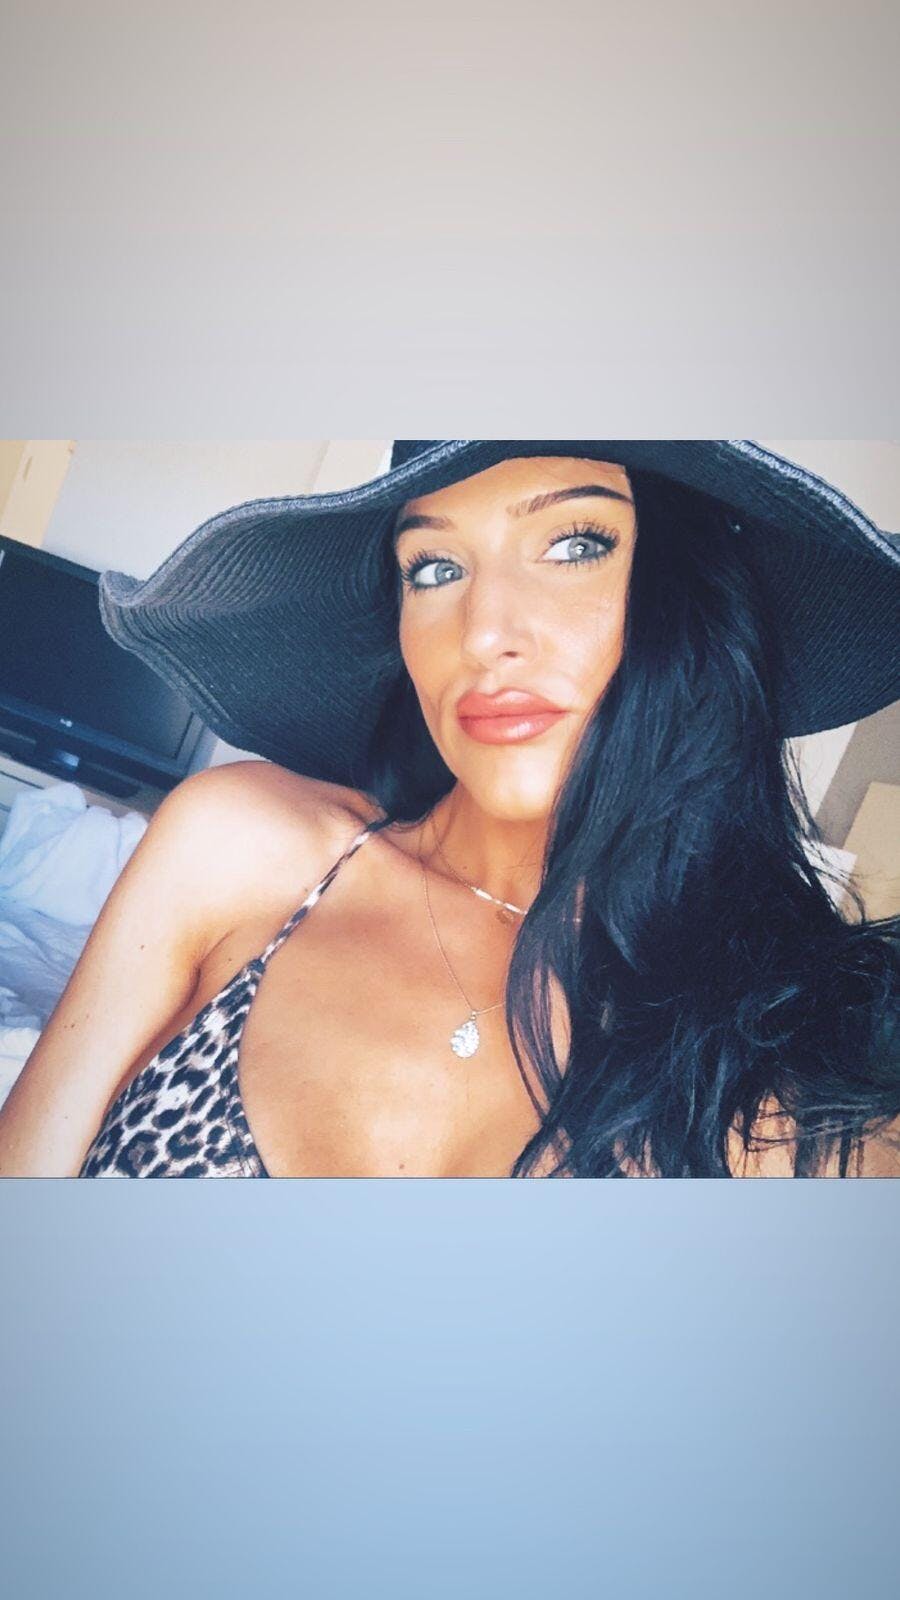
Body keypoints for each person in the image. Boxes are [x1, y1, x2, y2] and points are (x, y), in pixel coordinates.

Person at [1, 440, 898, 1178]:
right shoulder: (238, 844)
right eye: (433, 567)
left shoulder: (821, 1080)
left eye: (574, 545)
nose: (482, 632)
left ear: (694, 598)